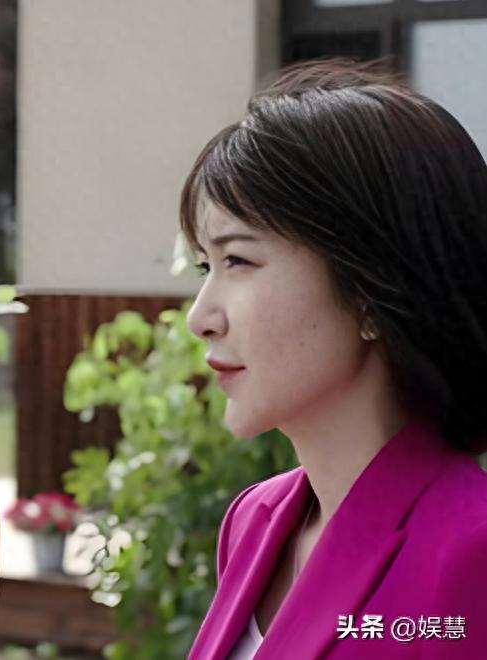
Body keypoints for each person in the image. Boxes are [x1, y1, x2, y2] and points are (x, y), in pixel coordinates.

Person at [181, 59, 487, 659]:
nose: (201, 316)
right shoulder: (255, 520)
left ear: (370, 291)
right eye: (204, 267)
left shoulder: (469, 549)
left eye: (238, 260)